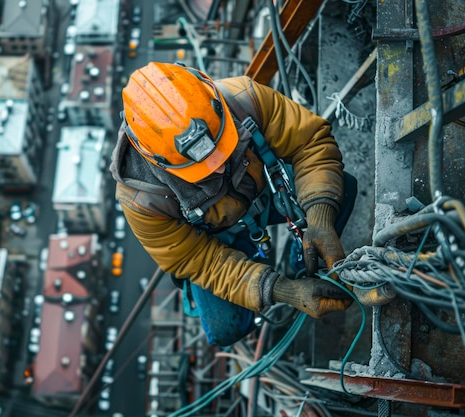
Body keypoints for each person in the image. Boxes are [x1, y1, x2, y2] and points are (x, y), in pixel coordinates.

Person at [110, 62, 356, 346]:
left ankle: (302, 261)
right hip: (215, 244)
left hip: (262, 197)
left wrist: (320, 217)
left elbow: (309, 144)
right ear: (155, 160)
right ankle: (283, 293)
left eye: (220, 147)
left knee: (339, 190)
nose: (217, 169)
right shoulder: (142, 200)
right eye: (200, 168)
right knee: (226, 330)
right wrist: (280, 290)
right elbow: (196, 260)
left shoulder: (243, 99)